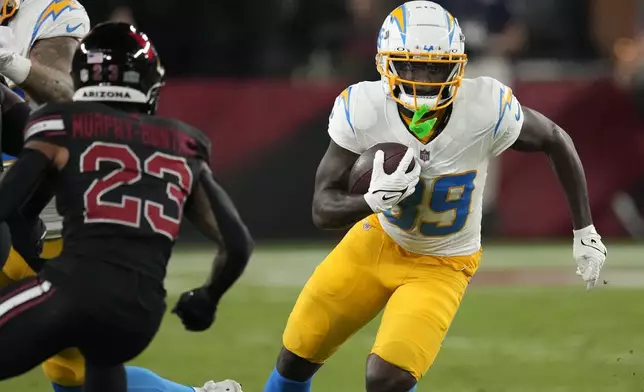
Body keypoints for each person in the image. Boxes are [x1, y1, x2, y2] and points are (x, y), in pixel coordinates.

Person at [263, 2, 608, 392]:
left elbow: (555, 138)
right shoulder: (364, 106)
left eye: (435, 66)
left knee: (386, 378)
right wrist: (371, 202)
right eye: (408, 65)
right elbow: (322, 209)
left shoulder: (483, 108)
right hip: (378, 241)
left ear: (458, 66)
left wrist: (585, 230)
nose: (423, 80)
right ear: (384, 63)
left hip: (443, 264)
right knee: (296, 356)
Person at [0, 22, 251, 392]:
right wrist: (207, 297)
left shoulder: (60, 125)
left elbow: (8, 206)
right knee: (76, 377)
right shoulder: (183, 142)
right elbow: (237, 244)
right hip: (140, 313)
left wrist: (27, 230)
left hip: (73, 290)